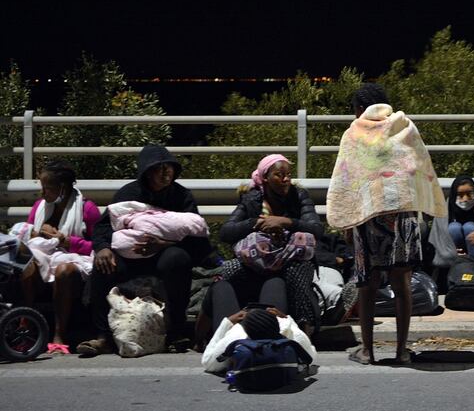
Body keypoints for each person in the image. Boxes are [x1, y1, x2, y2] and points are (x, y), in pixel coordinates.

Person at [326, 83, 446, 365]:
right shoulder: (404, 126)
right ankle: (401, 351)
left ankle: (367, 351)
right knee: (402, 284)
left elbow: (346, 178)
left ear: (359, 109)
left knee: (367, 285)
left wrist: (347, 220)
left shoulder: (354, 132)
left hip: (367, 215)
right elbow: (418, 166)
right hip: (402, 215)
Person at [78, 145, 214, 356]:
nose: (165, 173)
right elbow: (104, 227)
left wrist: (163, 244)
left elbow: (197, 240)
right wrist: (103, 248)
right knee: (103, 265)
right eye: (159, 169)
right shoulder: (128, 193)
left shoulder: (182, 196)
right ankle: (103, 337)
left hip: (163, 256)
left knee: (177, 259)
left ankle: (176, 333)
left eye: (169, 168)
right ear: (147, 172)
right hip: (130, 256)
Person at [198, 153, 323, 342]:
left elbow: (316, 229)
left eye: (288, 175)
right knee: (229, 270)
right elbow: (226, 232)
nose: (286, 179)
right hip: (258, 262)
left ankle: (304, 329)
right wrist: (256, 223)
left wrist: (286, 222)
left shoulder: (299, 196)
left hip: (289, 260)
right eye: (279, 175)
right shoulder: (252, 199)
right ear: (265, 178)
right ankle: (217, 329)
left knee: (297, 272)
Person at [17, 161, 101, 355]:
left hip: (75, 261)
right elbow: (26, 236)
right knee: (26, 263)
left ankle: (59, 335)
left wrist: (66, 241)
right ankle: (25, 325)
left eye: (47, 188)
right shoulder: (39, 207)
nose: (42, 193)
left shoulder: (87, 209)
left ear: (62, 188)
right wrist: (39, 233)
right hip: (44, 259)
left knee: (63, 269)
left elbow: (98, 245)